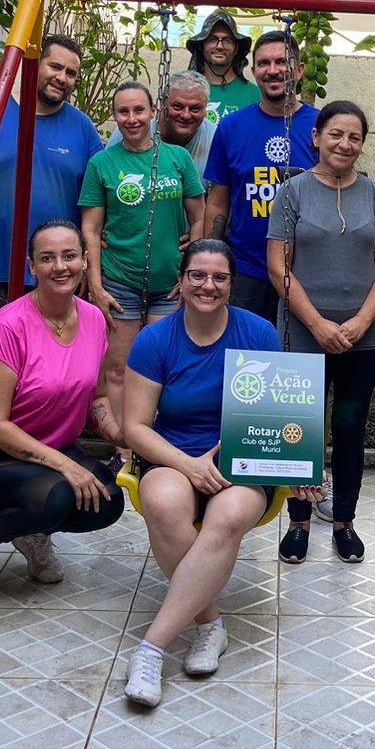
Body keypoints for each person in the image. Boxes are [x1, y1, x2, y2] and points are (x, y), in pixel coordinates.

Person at [120, 240, 322, 707]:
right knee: (165, 503)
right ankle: (209, 625)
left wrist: (300, 466)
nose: (208, 285)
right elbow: (134, 427)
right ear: (182, 281)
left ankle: (151, 648)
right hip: (174, 455)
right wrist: (188, 465)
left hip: (242, 458)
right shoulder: (155, 339)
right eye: (198, 275)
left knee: (228, 517)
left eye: (219, 277)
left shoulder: (258, 333)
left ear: (232, 283)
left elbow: (280, 415)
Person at [0, 219, 125, 609]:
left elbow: (97, 398)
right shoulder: (9, 325)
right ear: (31, 266)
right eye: (47, 258)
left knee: (107, 499)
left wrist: (125, 435)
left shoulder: (93, 319)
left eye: (70, 256)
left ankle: (31, 529)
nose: (60, 266)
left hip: (43, 451)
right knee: (57, 493)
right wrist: (66, 466)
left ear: (85, 261)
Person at [265, 100, 375, 565]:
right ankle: (299, 521)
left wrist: (361, 321)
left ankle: (344, 521)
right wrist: (318, 324)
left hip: (365, 336)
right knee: (300, 431)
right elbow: (277, 266)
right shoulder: (292, 192)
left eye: (355, 137)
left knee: (348, 426)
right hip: (304, 333)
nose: (345, 144)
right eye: (336, 134)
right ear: (317, 137)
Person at [0, 34, 104, 367]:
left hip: (55, 272)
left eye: (71, 73)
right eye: (55, 66)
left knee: (50, 367)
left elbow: (97, 202)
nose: (62, 77)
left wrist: (86, 262)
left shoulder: (82, 128)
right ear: (34, 65)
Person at [80, 82, 205, 416]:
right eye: (124, 111)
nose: (132, 119)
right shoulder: (101, 164)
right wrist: (95, 284)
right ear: (114, 115)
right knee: (119, 369)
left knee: (159, 371)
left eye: (139, 110)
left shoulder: (177, 158)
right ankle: (124, 449)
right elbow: (90, 229)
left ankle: (153, 443)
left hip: (169, 285)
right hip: (120, 282)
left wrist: (192, 258)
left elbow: (199, 213)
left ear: (153, 112)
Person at [202, 31, 319, 322]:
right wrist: (210, 257)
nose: (273, 70)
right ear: (254, 72)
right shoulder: (232, 127)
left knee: (300, 364)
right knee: (245, 362)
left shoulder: (320, 126)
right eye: (264, 63)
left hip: (306, 272)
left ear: (299, 70)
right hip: (246, 273)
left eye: (282, 62)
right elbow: (217, 203)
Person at [107, 71, 218, 176]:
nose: (186, 115)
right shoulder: (132, 130)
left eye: (195, 109)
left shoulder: (215, 137)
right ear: (163, 105)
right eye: (177, 107)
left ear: (205, 110)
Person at [184, 10, 259, 124]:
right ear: (201, 46)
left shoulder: (254, 94)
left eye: (227, 40)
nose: (219, 46)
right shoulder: (185, 91)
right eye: (212, 39)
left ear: (236, 48)